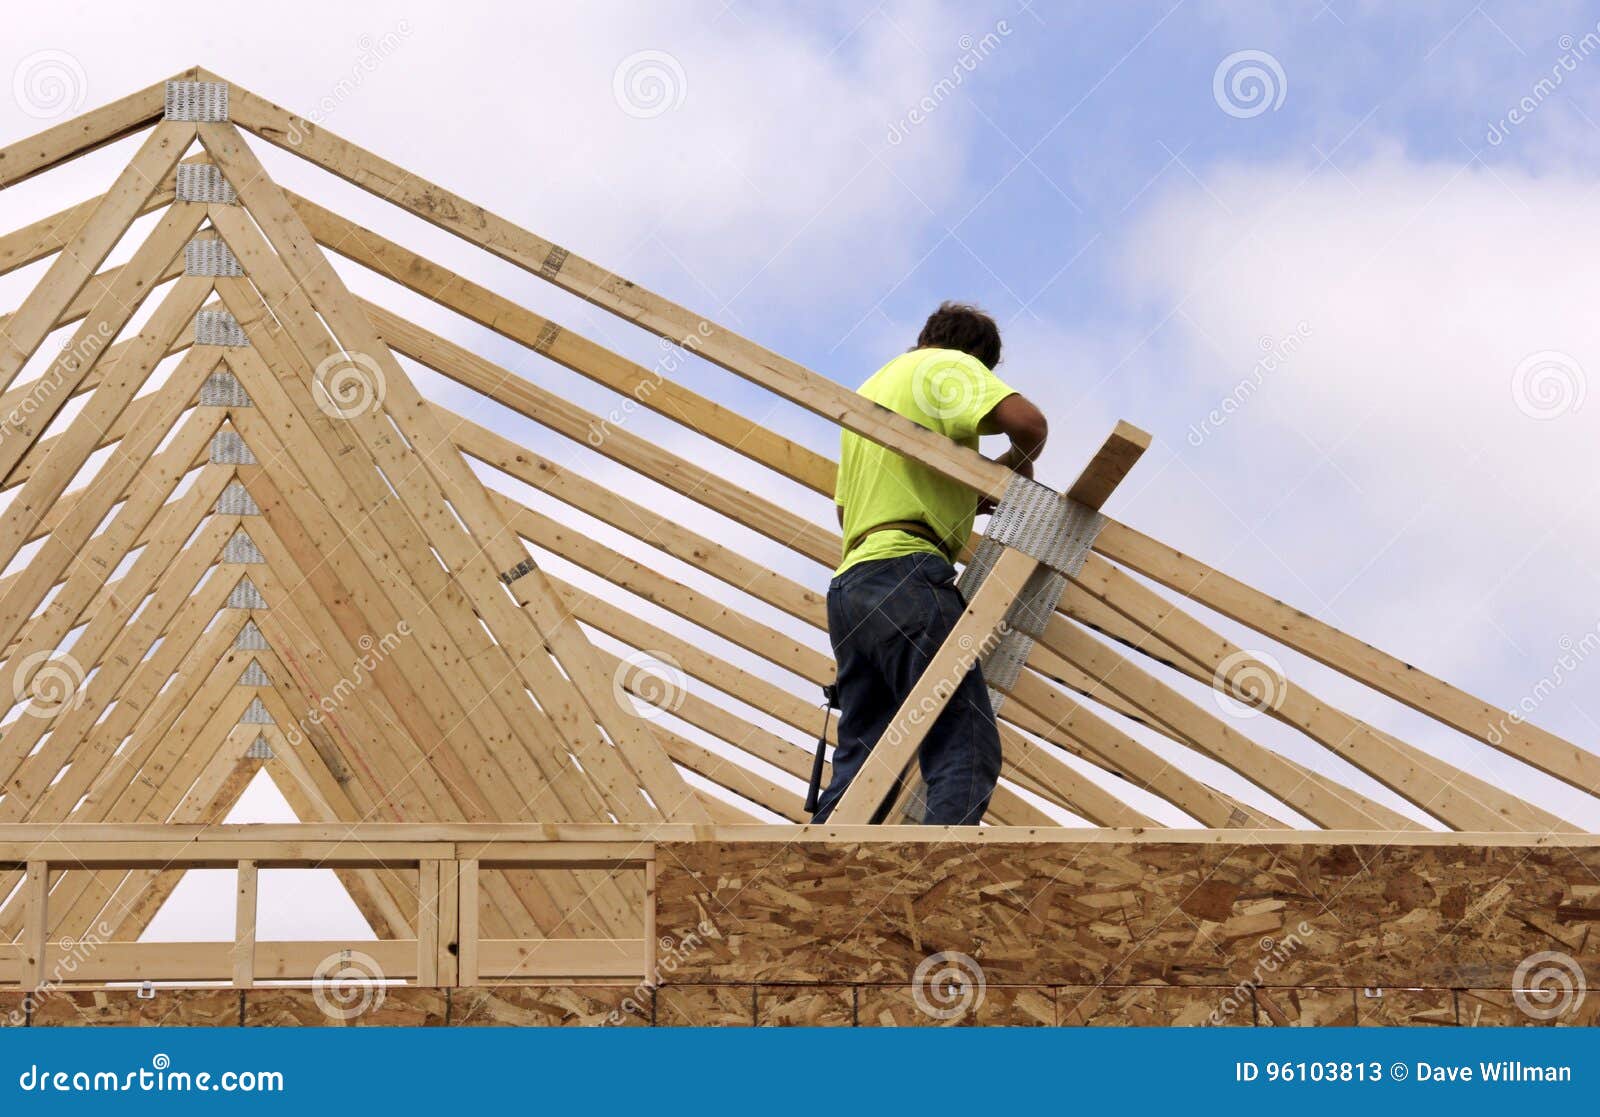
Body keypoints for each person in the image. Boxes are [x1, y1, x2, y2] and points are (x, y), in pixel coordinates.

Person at [811, 302, 1048, 825]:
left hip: (852, 586)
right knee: (963, 737)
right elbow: (1029, 424)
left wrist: (960, 488)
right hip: (907, 579)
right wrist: (1012, 473)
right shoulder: (949, 365)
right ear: (978, 358)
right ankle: (940, 878)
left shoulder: (871, 392)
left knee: (864, 756)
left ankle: (828, 875)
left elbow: (844, 510)